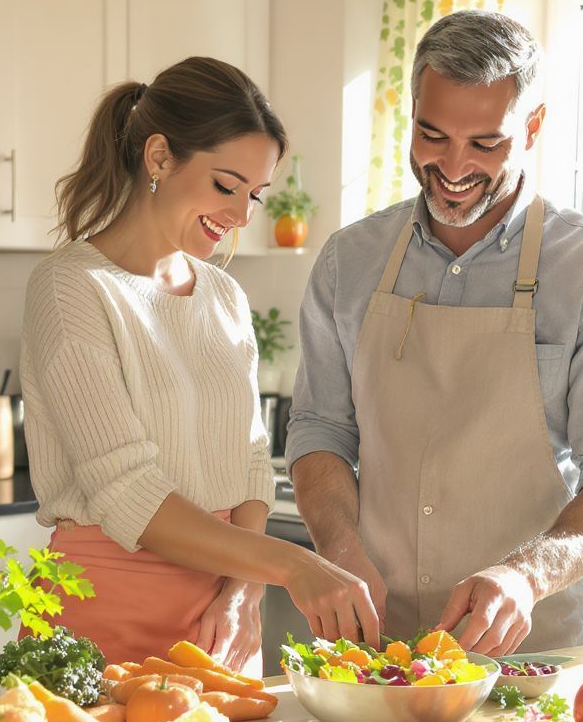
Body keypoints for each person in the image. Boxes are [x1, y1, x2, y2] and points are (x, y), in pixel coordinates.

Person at [286, 11, 583, 657]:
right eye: (432, 135)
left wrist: (527, 573)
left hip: (529, 658)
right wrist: (339, 548)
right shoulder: (349, 263)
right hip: (376, 651)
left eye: (485, 143)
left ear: (533, 127)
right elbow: (321, 431)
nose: (453, 166)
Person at [21, 57, 378, 674]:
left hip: (225, 618)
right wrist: (292, 565)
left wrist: (245, 590)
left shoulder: (224, 297)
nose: (241, 215)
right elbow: (127, 491)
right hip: (107, 609)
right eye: (226, 185)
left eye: (254, 194)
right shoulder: (71, 289)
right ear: (159, 157)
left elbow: (248, 466)